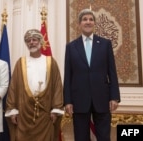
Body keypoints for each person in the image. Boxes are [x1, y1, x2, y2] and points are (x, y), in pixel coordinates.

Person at [63, 9, 121, 141]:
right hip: (79, 100)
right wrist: (68, 101)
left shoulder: (105, 44)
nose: (88, 22)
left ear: (94, 23)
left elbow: (112, 72)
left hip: (102, 99)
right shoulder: (71, 47)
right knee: (81, 137)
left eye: (90, 19)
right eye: (84, 19)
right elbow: (68, 76)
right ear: (79, 24)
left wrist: (114, 97)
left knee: (104, 137)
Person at [5, 29, 64, 141]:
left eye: (34, 40)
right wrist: (12, 109)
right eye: (28, 40)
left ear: (40, 41)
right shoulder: (21, 62)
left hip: (45, 113)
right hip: (24, 113)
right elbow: (13, 88)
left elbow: (57, 86)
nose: (31, 42)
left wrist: (56, 108)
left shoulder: (50, 61)